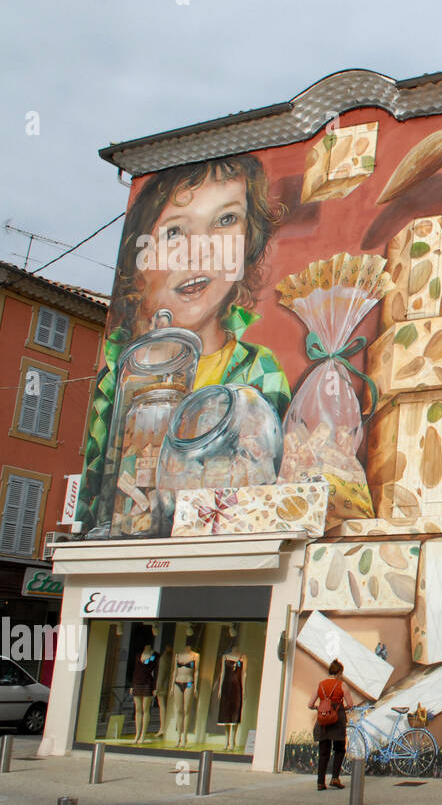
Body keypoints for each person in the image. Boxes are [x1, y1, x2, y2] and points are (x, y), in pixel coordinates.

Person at [76, 154, 291, 533]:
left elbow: (267, 488)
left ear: (247, 246)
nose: (201, 251)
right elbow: (95, 498)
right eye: (175, 232)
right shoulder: (117, 378)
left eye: (226, 220)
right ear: (139, 260)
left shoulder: (260, 371)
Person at [309, 660, 353, 790]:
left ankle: (320, 782)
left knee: (324, 752)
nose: (342, 675)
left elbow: (310, 704)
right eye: (341, 673)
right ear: (339, 672)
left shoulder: (320, 685)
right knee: (339, 749)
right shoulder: (342, 685)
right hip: (337, 719)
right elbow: (350, 704)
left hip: (323, 720)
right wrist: (341, 709)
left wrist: (319, 708)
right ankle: (335, 778)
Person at [130, 644, 159, 745]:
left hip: (148, 683)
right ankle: (137, 733)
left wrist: (155, 687)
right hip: (137, 682)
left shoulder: (154, 655)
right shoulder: (139, 655)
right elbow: (135, 670)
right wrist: (132, 685)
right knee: (138, 708)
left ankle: (143, 734)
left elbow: (156, 672)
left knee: (145, 709)